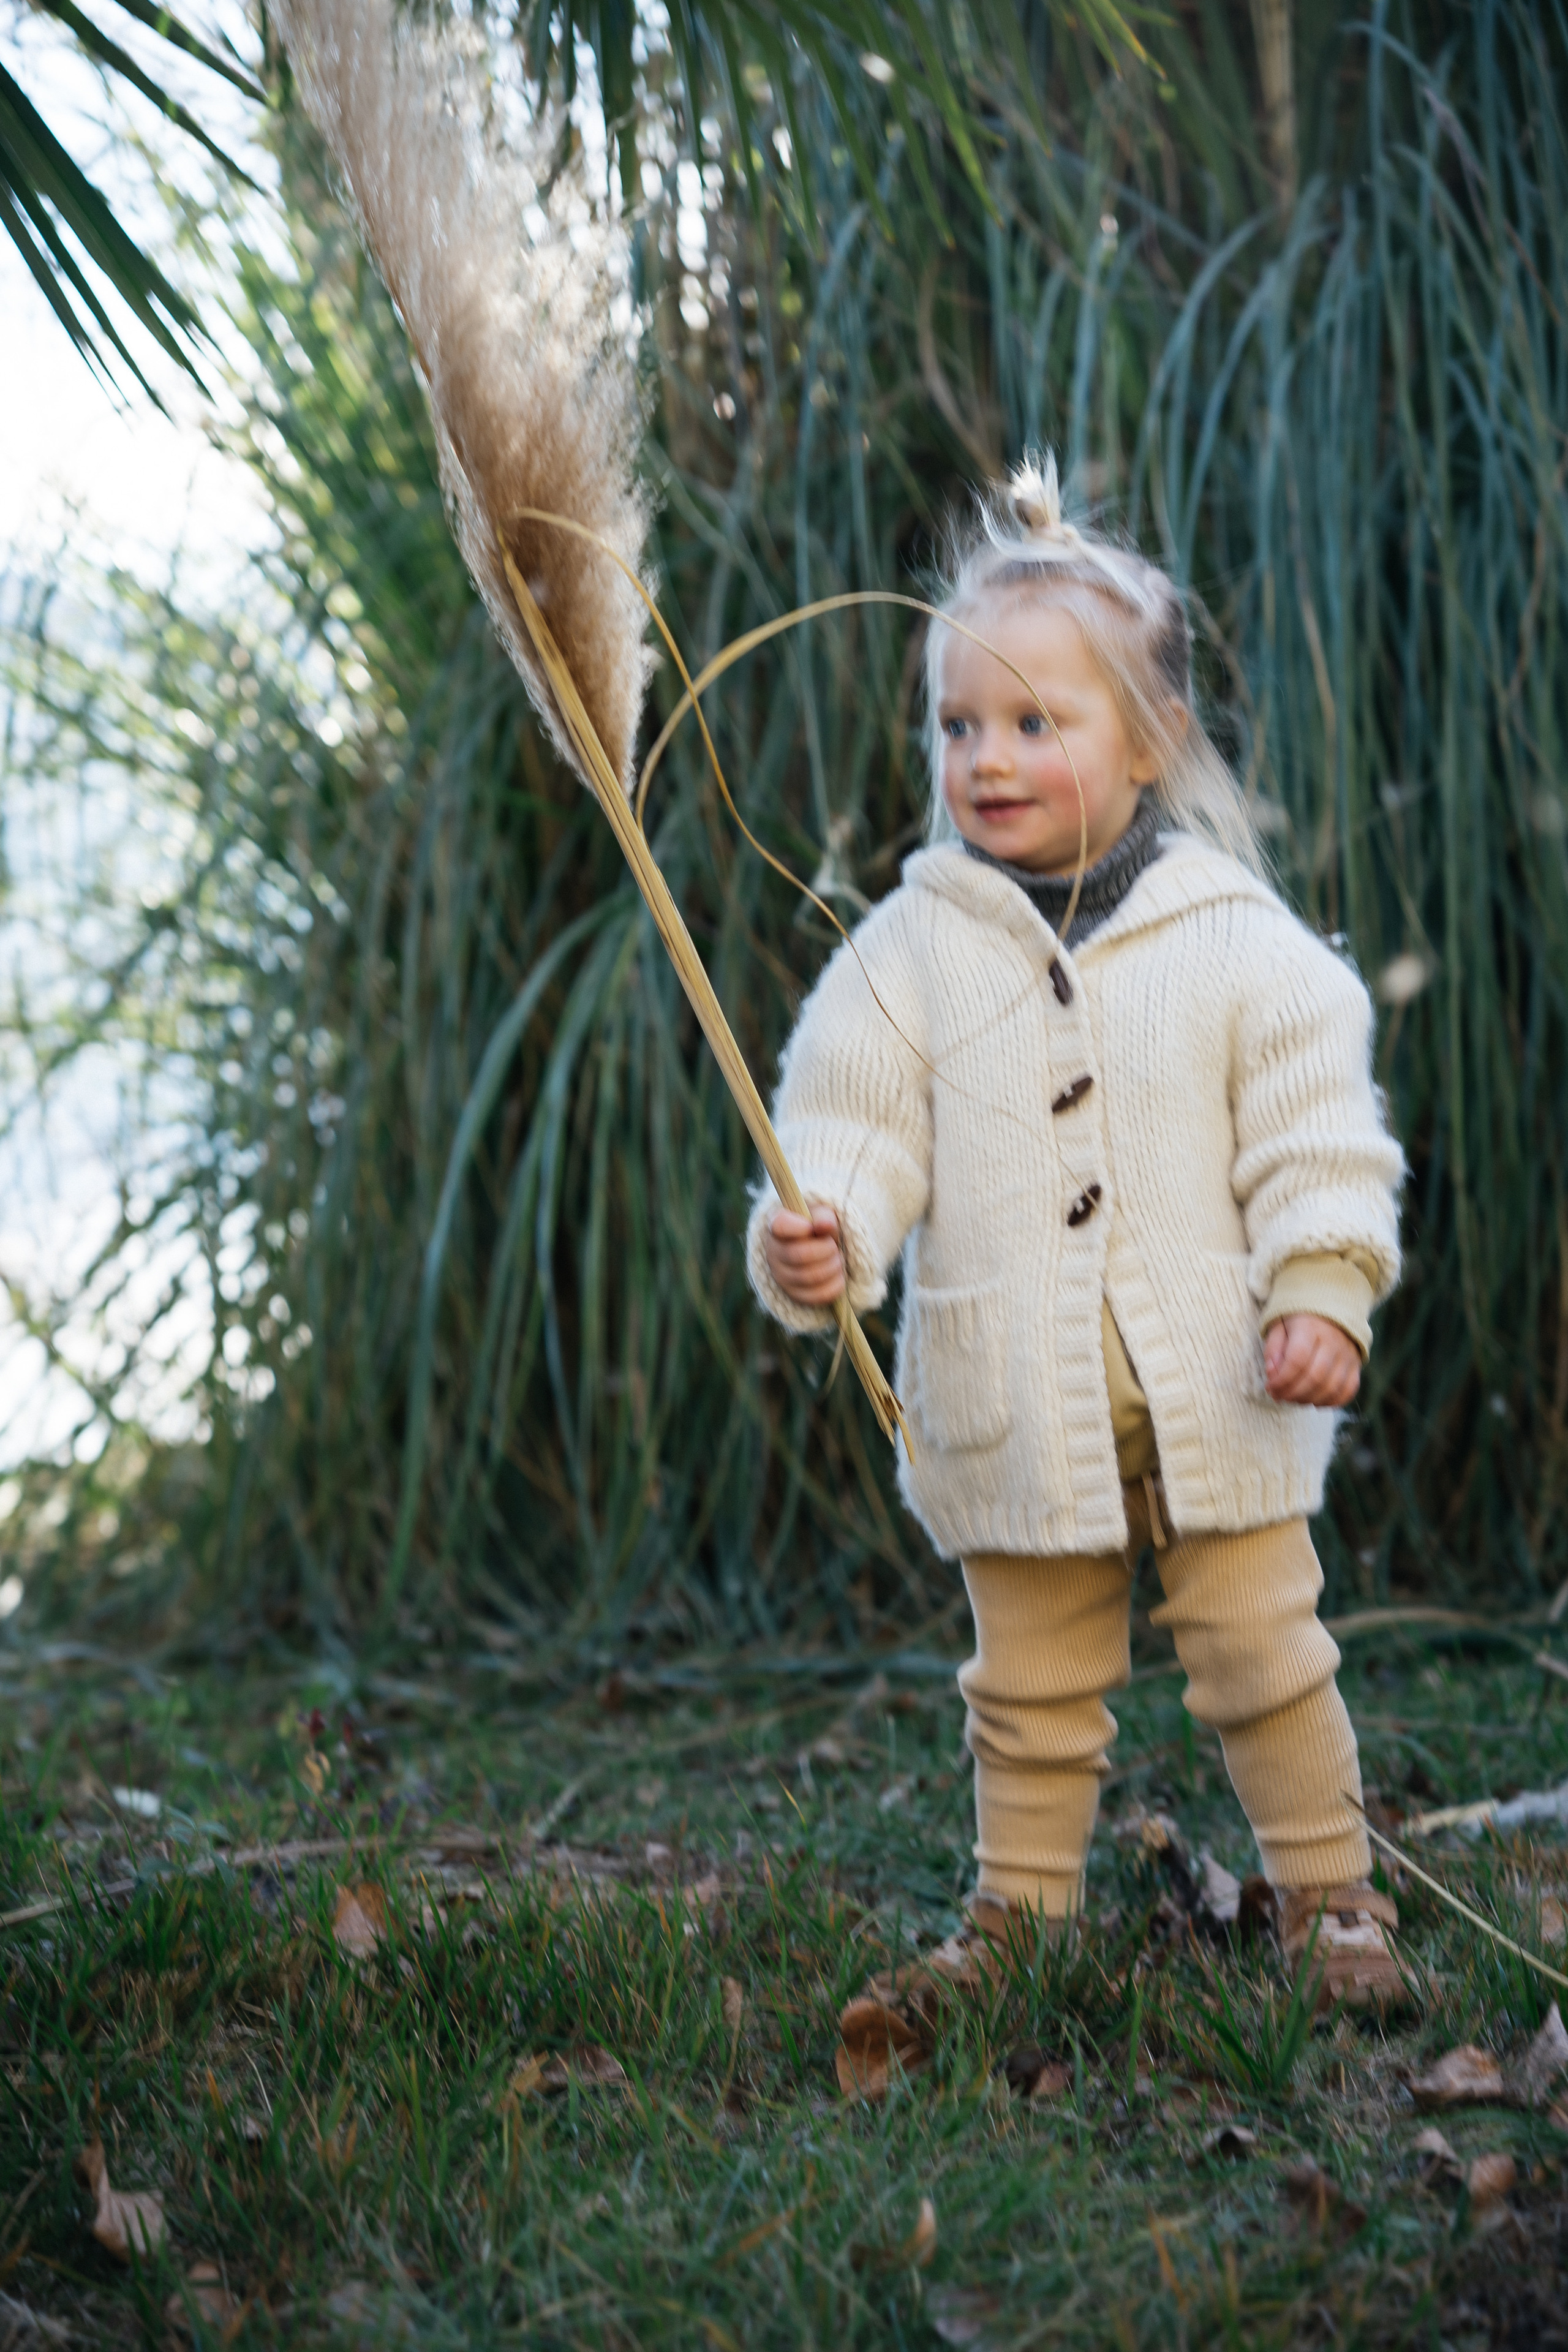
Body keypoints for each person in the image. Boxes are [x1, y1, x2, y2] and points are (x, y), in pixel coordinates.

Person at [745, 454, 1411, 2010]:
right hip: (1011, 1401)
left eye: (1035, 724)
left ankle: (1331, 1897)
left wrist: (1321, 1283)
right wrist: (819, 1227)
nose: (986, 758)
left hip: (1222, 1380)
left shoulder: (1236, 942)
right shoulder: (909, 947)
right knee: (1029, 1684)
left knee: (1264, 1650)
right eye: (958, 725)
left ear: (1147, 741)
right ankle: (1013, 1923)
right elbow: (842, 1115)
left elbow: (1320, 1133)